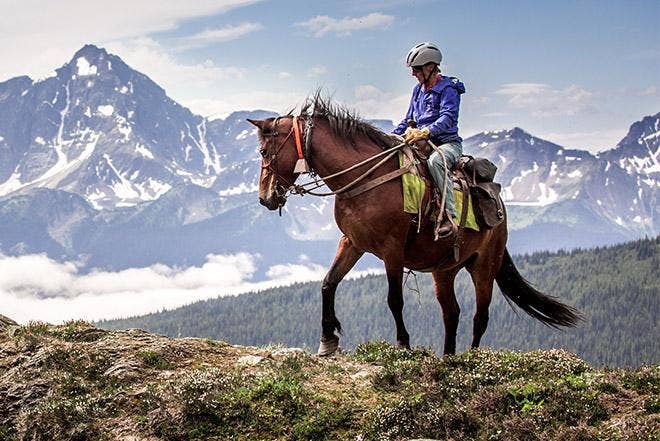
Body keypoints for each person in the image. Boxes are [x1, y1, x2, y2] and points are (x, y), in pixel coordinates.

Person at [393, 42, 465, 238]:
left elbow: (448, 117)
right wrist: (392, 136)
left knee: (435, 163)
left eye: (416, 69)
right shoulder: (418, 91)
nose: (413, 74)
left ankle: (449, 215)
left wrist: (426, 131)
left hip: (447, 144)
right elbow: (409, 119)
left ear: (429, 67)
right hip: (420, 142)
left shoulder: (448, 89)